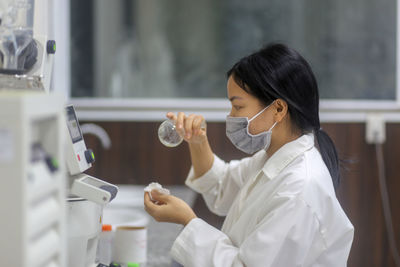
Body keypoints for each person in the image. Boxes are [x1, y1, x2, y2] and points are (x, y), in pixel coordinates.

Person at [144, 43, 354, 267]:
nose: (231, 116)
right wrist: (197, 141)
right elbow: (222, 186)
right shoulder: (273, 158)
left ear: (278, 109)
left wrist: (187, 221)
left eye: (238, 107)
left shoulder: (298, 191)